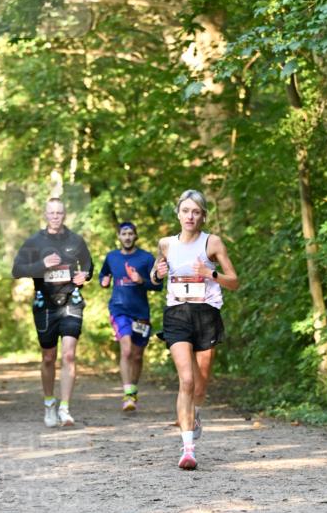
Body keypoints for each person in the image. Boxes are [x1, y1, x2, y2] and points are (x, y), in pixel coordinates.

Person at [152, 189, 239, 470]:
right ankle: (187, 449)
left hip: (206, 314)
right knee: (186, 380)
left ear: (203, 216)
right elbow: (156, 273)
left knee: (201, 382)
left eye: (196, 212)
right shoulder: (166, 243)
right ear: (178, 213)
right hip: (176, 313)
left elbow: (234, 281)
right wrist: (156, 274)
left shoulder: (212, 242)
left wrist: (210, 274)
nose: (190, 216)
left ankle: (195, 412)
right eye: (186, 211)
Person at [12, 198, 93, 427]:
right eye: (52, 213)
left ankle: (65, 408)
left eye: (59, 212)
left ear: (65, 214)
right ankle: (49, 403)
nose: (55, 216)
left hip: (71, 301)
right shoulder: (35, 242)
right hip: (45, 304)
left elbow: (88, 266)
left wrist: (83, 276)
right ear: (45, 215)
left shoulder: (75, 240)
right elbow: (17, 270)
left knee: (68, 355)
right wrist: (42, 264)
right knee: (48, 357)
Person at [99, 221, 163, 412]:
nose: (127, 237)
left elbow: (158, 285)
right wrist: (104, 281)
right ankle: (127, 394)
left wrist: (141, 280)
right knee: (126, 350)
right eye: (123, 234)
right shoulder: (112, 257)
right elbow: (103, 275)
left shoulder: (146, 258)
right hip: (119, 310)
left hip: (141, 313)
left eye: (130, 234)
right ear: (118, 236)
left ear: (135, 236)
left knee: (137, 355)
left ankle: (133, 392)